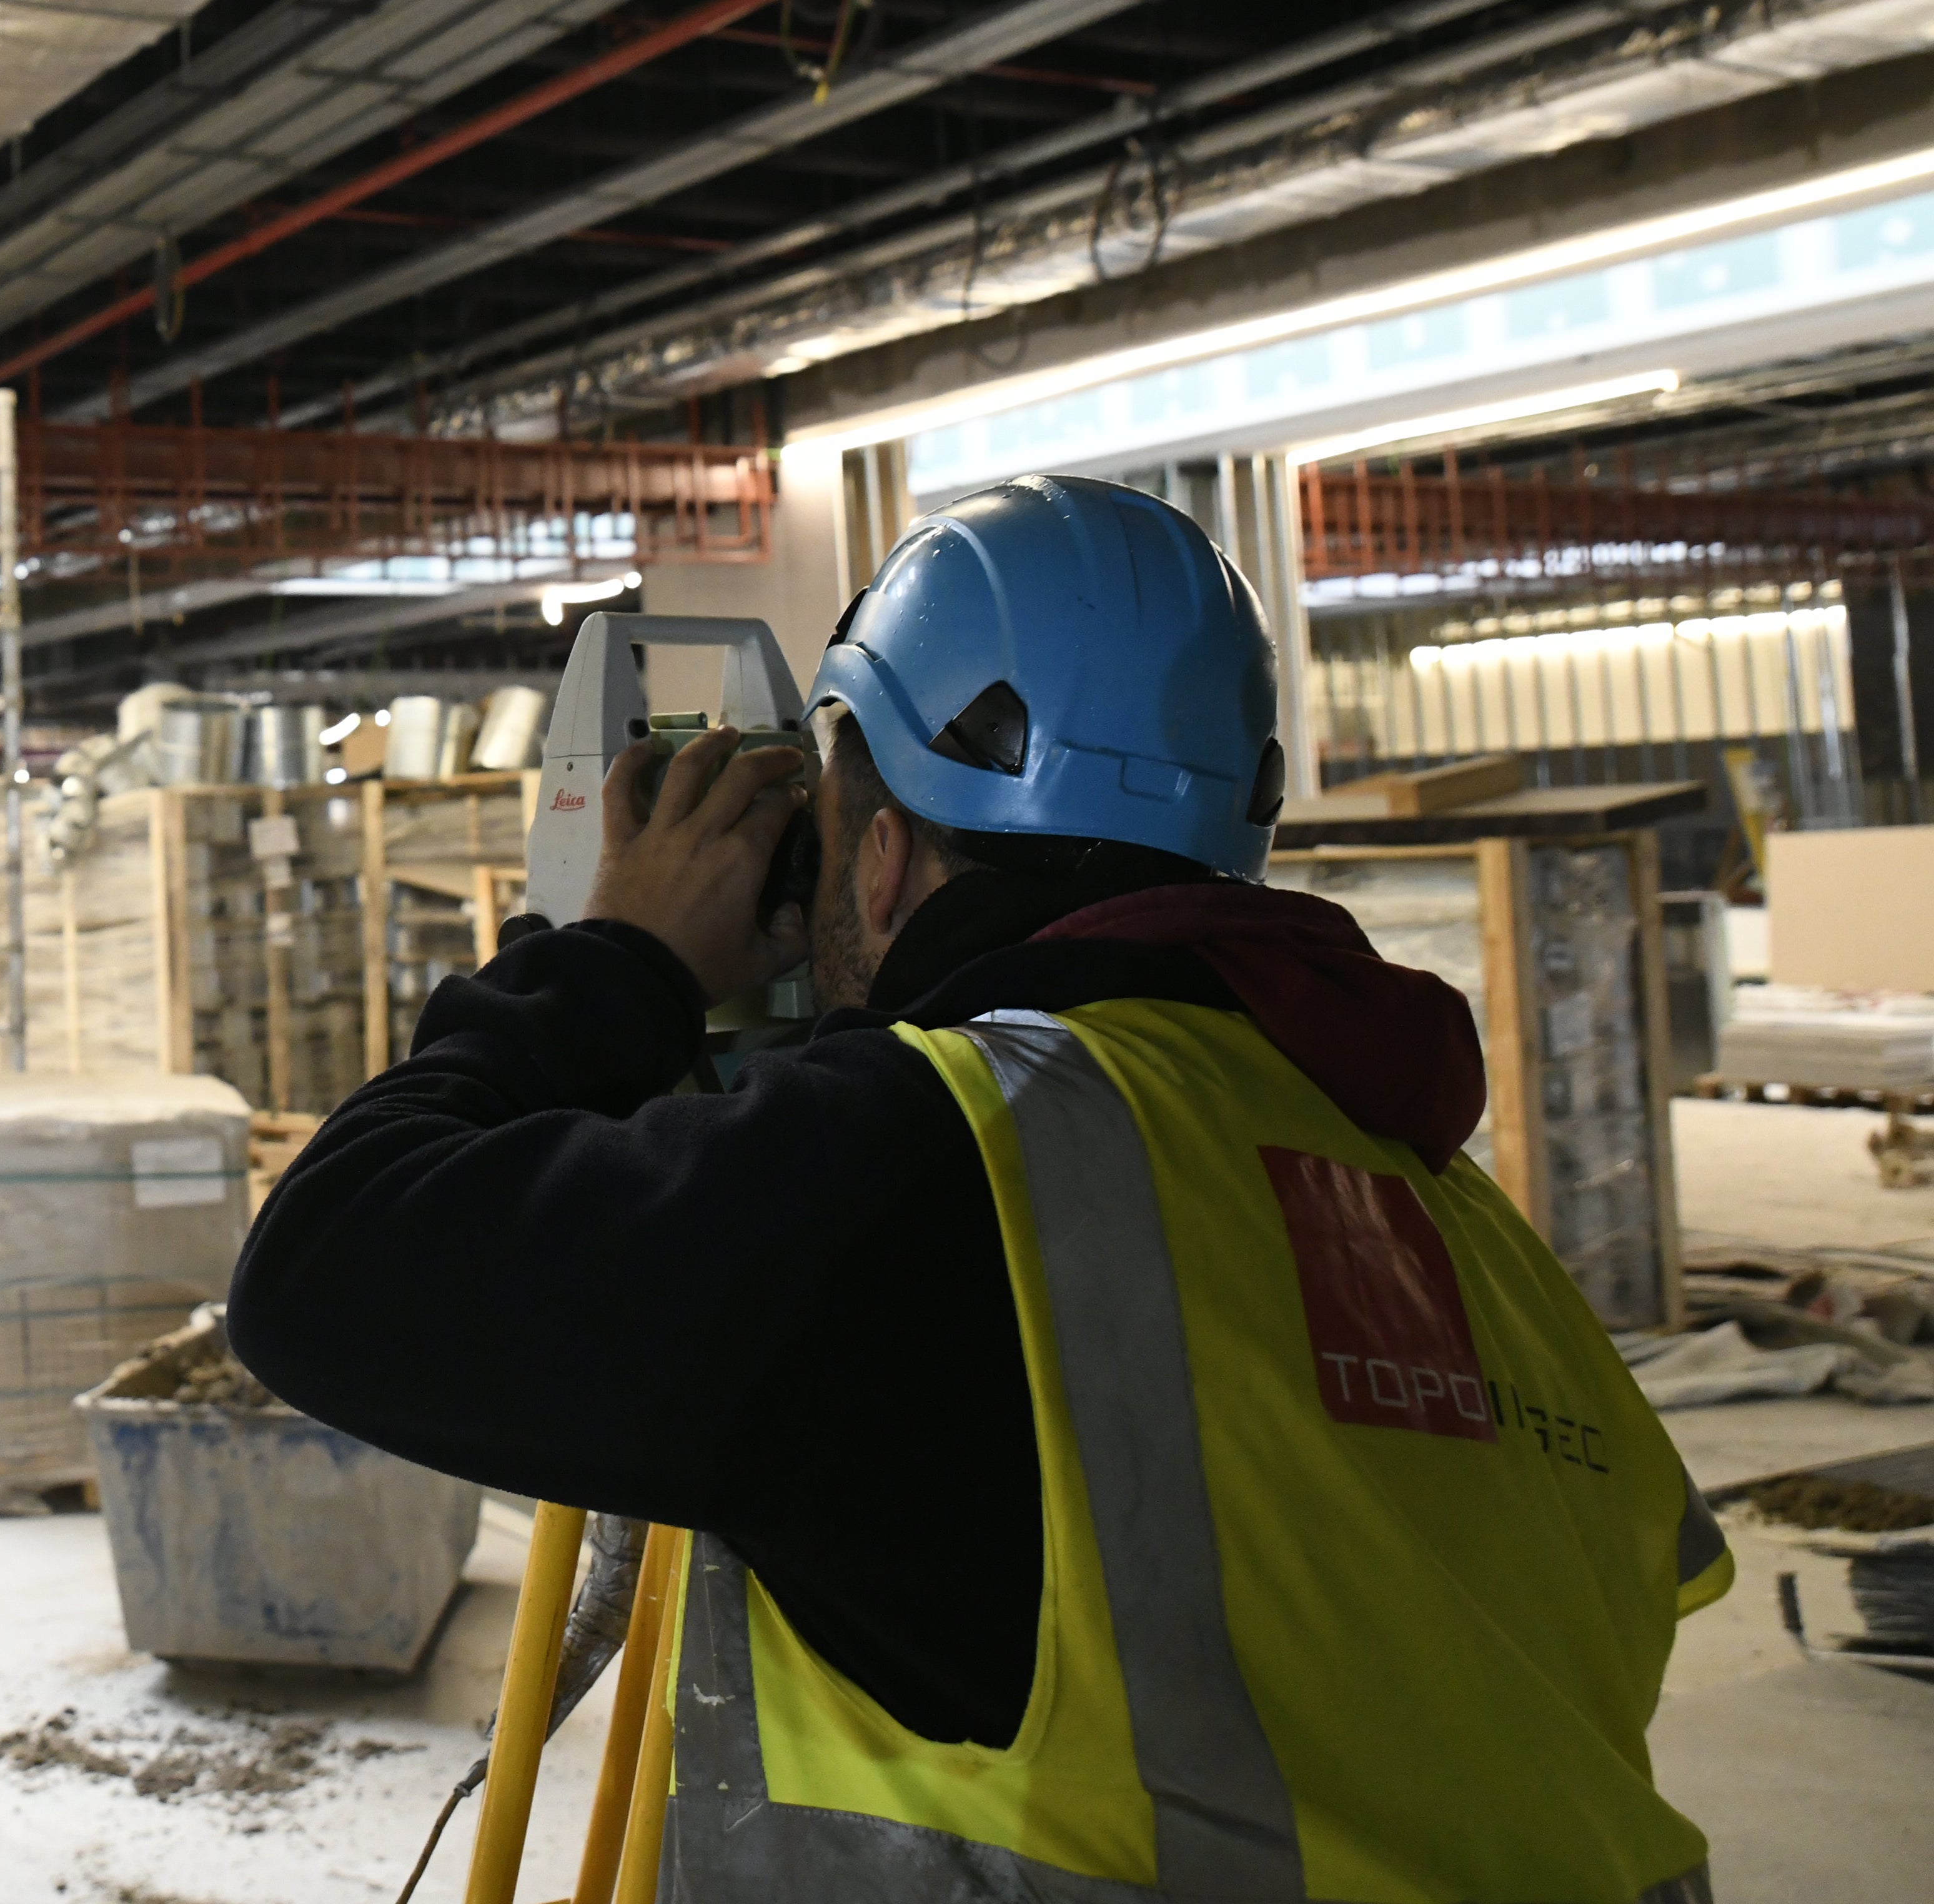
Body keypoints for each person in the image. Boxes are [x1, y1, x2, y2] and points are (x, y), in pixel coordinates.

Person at [231, 474, 1730, 1902]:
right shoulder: (1453, 1222)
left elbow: (324, 1273)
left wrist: (615, 959)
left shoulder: (929, 1164)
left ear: (878, 862)